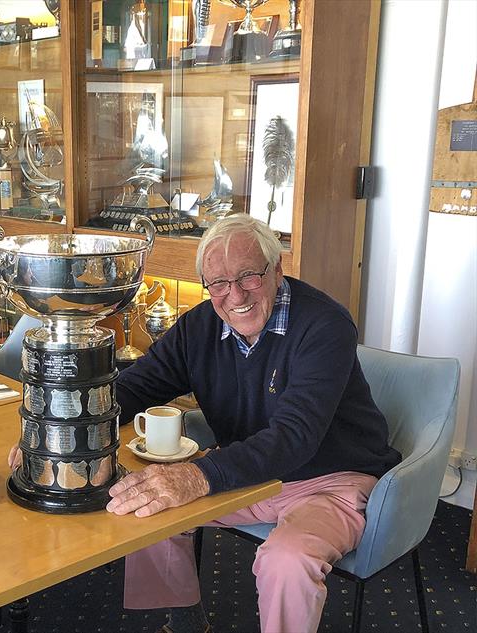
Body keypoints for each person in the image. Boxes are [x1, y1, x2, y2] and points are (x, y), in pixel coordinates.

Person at [105, 214, 401, 633]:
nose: (235, 295)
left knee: (287, 561)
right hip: (249, 472)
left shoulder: (325, 325)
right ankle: (186, 621)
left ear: (277, 269)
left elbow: (295, 437)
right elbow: (135, 387)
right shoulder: (199, 326)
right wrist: (64, 427)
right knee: (148, 505)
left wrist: (197, 476)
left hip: (331, 478)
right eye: (219, 284)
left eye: (249, 276)